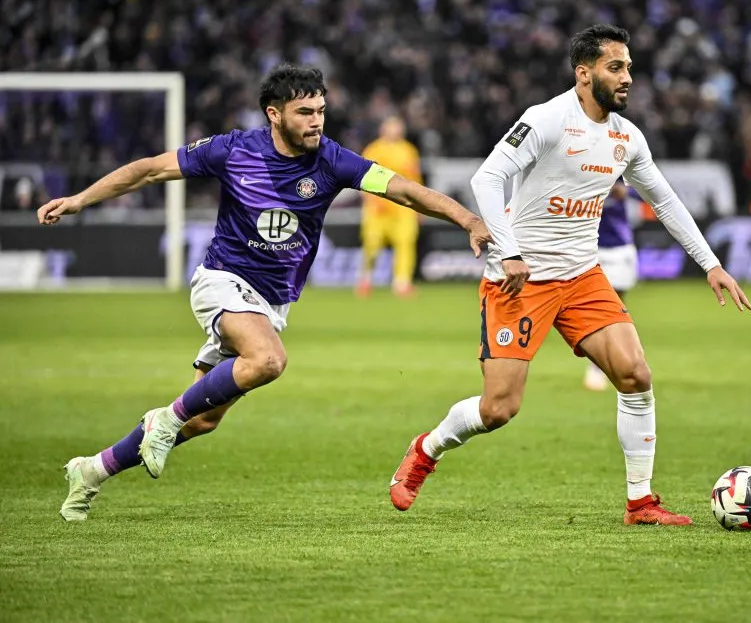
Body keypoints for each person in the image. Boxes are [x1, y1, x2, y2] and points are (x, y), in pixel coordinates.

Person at [39, 63, 491, 521]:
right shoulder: (233, 150)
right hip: (222, 281)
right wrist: (79, 200)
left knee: (203, 419)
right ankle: (165, 419)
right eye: (303, 112)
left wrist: (468, 220)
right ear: (274, 115)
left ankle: (92, 470)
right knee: (268, 360)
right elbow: (149, 171)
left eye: (320, 110)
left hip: (270, 303)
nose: (316, 121)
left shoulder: (333, 160)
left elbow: (407, 193)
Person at [388, 25, 751, 526]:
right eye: (615, 67)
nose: (627, 77)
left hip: (582, 277)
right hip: (520, 280)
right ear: (584, 74)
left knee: (635, 374)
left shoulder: (626, 136)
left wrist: (710, 264)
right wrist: (510, 250)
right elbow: (487, 178)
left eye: (628, 67)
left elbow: (664, 200)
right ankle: (426, 449)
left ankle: (640, 503)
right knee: (499, 409)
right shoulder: (547, 120)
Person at [357, 115, 423, 297]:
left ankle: (402, 283)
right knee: (371, 244)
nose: (395, 130)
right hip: (378, 207)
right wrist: (369, 199)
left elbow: (415, 179)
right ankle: (366, 279)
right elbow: (361, 178)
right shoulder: (374, 149)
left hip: (403, 207)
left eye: (398, 127)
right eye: (391, 126)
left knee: (406, 243)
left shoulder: (409, 150)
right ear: (383, 129)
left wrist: (419, 207)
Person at [584, 178, 640, 391]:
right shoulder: (585, 168)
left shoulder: (621, 169)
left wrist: (625, 192)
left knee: (617, 308)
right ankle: (596, 367)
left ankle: (617, 362)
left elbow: (648, 190)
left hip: (619, 248)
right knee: (595, 309)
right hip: (589, 247)